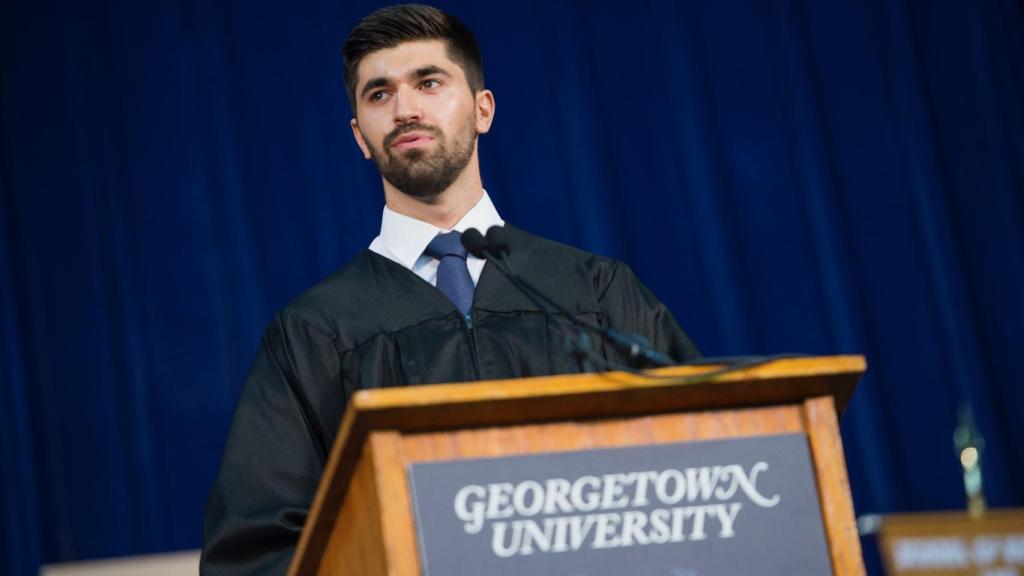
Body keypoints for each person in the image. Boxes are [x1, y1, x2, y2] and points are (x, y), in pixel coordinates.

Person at [200, 4, 701, 574]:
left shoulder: (593, 289)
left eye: (429, 82)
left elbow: (701, 472)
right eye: (379, 95)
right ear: (360, 136)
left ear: (482, 109)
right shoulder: (317, 331)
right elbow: (257, 553)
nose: (406, 109)